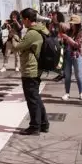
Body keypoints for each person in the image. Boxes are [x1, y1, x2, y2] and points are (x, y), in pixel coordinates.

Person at [14, 8, 50, 136]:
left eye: (23, 19)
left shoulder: (31, 34)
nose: (22, 22)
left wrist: (14, 36)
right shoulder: (42, 29)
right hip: (37, 68)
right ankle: (44, 124)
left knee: (32, 99)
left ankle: (34, 126)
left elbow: (17, 47)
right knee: (36, 97)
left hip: (31, 69)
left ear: (27, 20)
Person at [59, 15, 82, 101]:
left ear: (77, 24)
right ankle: (67, 93)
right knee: (67, 75)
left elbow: (77, 44)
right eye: (71, 23)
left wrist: (67, 38)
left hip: (76, 55)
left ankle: (81, 93)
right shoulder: (69, 31)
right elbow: (61, 28)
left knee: (78, 75)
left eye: (73, 23)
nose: (71, 25)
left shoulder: (81, 32)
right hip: (67, 55)